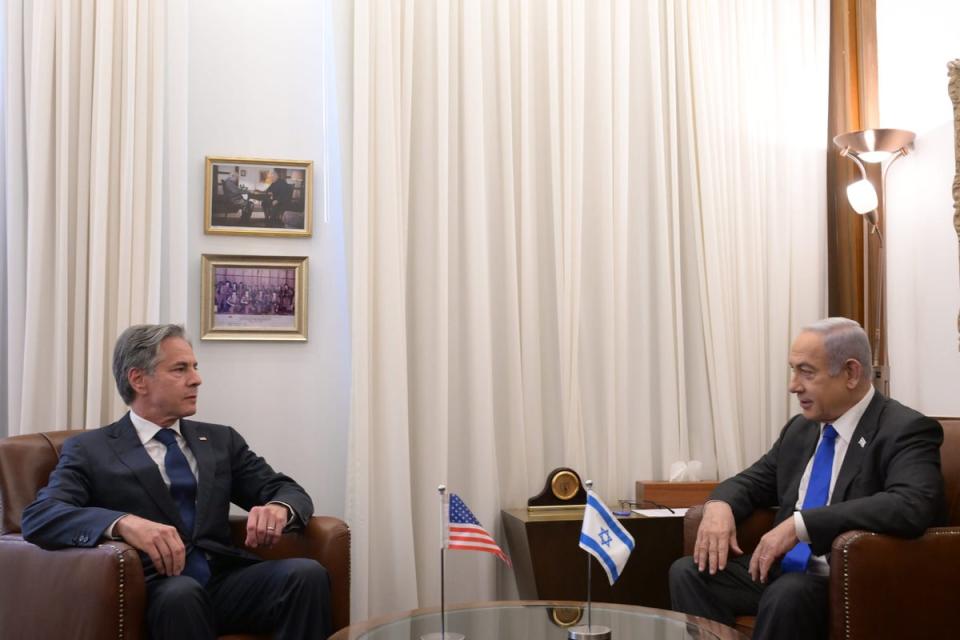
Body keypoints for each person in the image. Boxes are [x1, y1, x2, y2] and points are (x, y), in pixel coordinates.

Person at [21, 324, 331, 640]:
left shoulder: (220, 440)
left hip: (223, 581)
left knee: (306, 575)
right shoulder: (91, 449)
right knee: (180, 594)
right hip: (154, 589)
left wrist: (280, 507)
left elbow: (286, 489)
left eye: (195, 367)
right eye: (180, 369)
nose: (196, 379)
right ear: (138, 380)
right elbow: (40, 516)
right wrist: (123, 523)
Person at [669, 317, 944, 640]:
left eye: (806, 371)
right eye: (793, 369)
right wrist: (719, 505)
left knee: (788, 593)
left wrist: (802, 525)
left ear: (851, 373)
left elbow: (911, 505)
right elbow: (752, 481)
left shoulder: (904, 429)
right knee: (688, 572)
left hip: (845, 579)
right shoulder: (801, 430)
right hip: (782, 572)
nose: (793, 385)